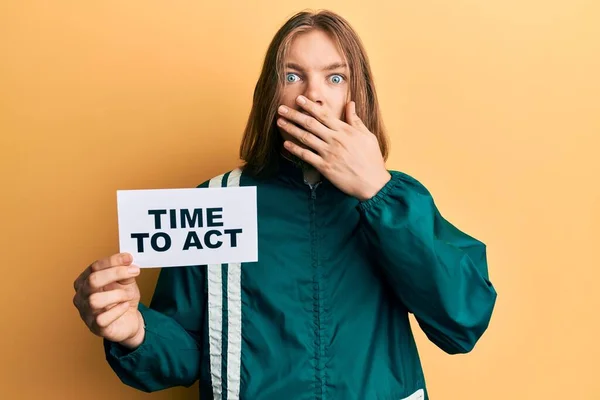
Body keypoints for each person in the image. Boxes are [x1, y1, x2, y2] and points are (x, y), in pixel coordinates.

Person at [73, 9, 497, 400]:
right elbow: (188, 356)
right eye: (293, 76)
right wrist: (137, 331)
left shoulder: (398, 199)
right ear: (269, 93)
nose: (312, 96)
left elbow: (462, 322)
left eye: (335, 77)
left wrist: (377, 192)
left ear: (357, 91)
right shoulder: (214, 202)